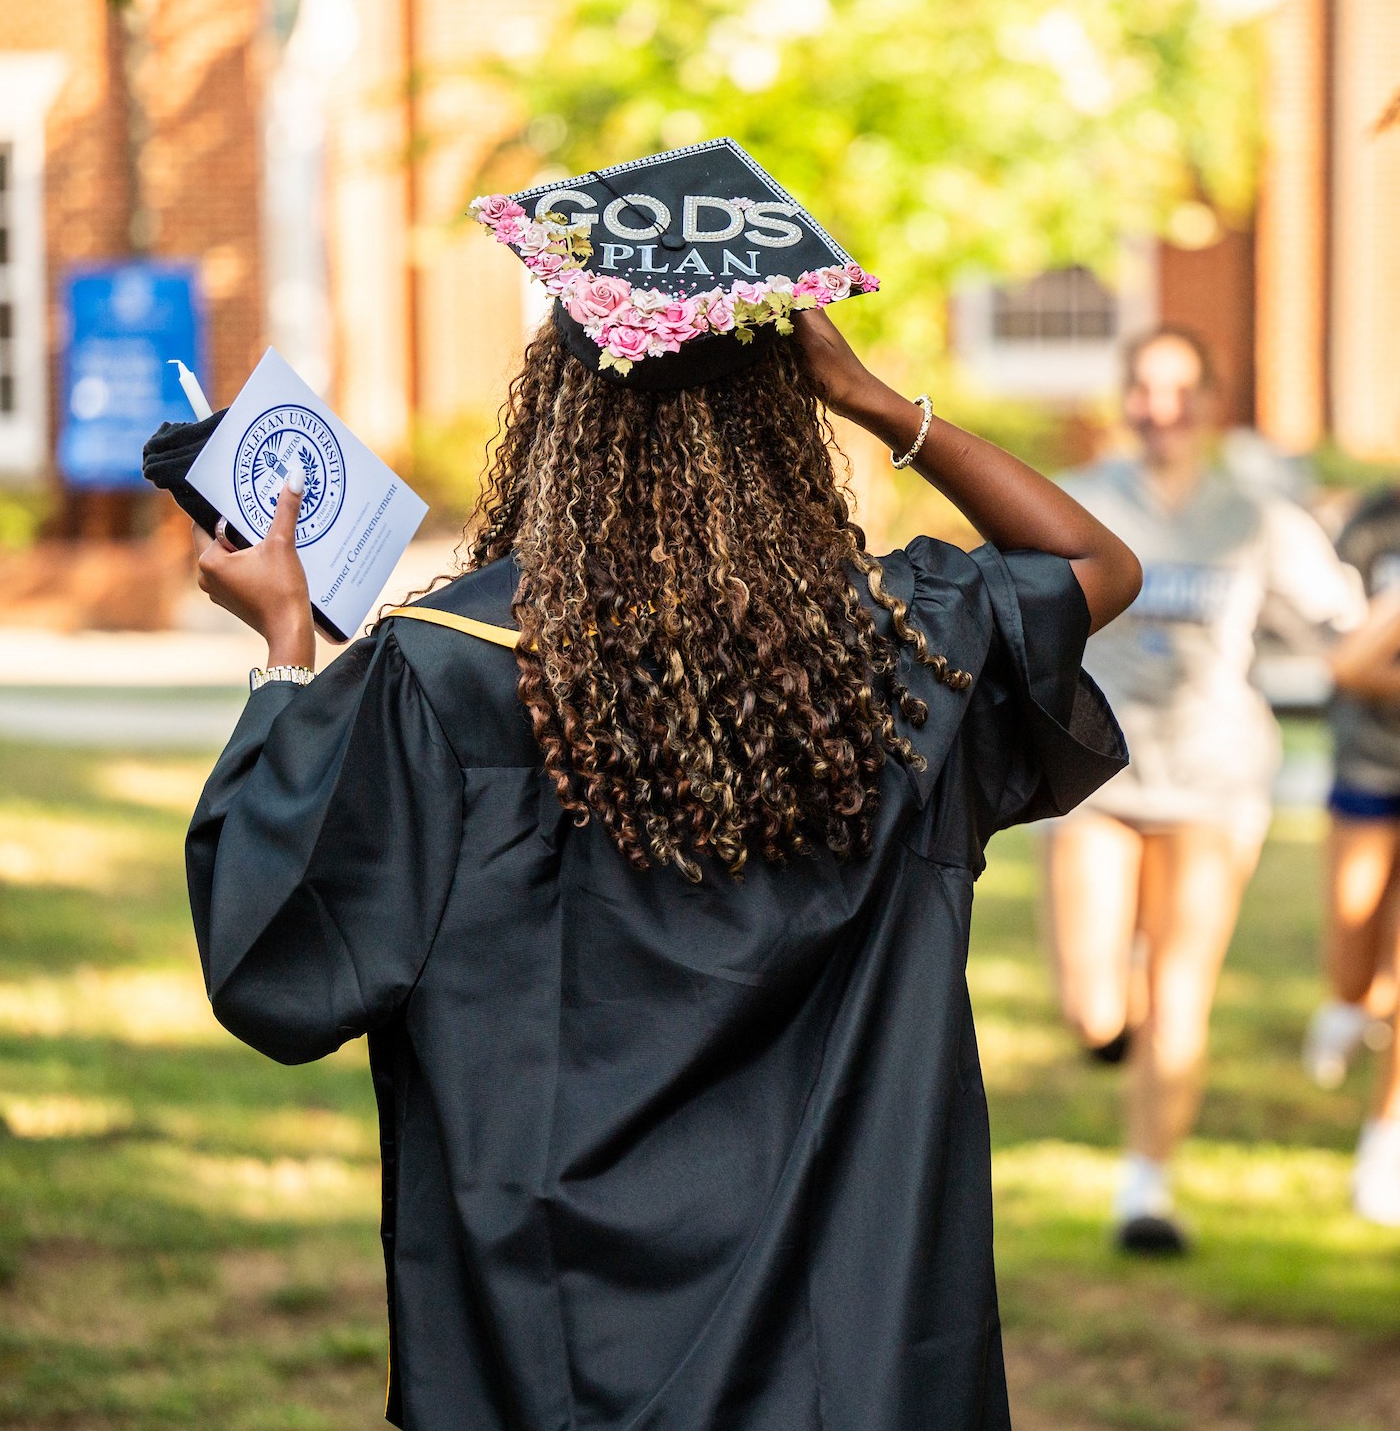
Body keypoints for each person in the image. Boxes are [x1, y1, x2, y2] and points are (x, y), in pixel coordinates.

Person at [179, 141, 1138, 1430]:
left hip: (553, 1354)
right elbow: (1095, 565)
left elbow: (275, 954)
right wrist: (873, 397)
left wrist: (287, 649)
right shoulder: (899, 654)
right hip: (847, 1363)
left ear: (560, 418)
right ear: (787, 418)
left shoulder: (451, 670)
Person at [1043, 327, 1363, 1255]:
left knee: (1180, 985)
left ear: (1213, 403)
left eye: (1181, 390)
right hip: (1099, 775)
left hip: (1215, 778)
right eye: (1144, 388)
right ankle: (1117, 1027)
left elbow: (1342, 630)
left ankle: (1147, 1194)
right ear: (1123, 399)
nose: (1162, 408)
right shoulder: (1081, 500)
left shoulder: (1256, 520)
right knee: (1095, 1007)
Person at [1304, 485, 1400, 1225]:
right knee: (1357, 963)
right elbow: (1344, 662)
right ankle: (1347, 1006)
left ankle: (1383, 1148)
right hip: (1370, 764)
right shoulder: (1372, 525)